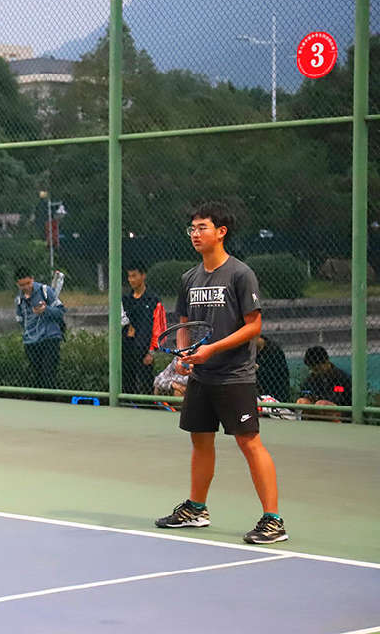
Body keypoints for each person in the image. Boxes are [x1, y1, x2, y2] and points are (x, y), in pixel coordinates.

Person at [154, 201, 287, 545]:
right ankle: (196, 509)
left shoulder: (241, 274)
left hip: (235, 375)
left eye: (203, 228)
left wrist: (212, 349)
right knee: (200, 440)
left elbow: (254, 326)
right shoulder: (189, 278)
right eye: (192, 229)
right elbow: (184, 323)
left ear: (221, 232)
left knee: (249, 442)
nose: (195, 234)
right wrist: (183, 353)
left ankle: (273, 520)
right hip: (201, 377)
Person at [14, 265, 65, 390]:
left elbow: (61, 311)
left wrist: (45, 310)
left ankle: (50, 399)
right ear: (17, 284)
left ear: (32, 279)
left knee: (48, 375)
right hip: (31, 341)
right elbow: (21, 320)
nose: (26, 287)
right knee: (36, 376)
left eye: (28, 283)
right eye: (22, 285)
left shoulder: (45, 291)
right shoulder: (19, 299)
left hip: (49, 338)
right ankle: (39, 398)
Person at [121, 264, 167, 395]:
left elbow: (159, 327)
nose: (131, 280)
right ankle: (127, 404)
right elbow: (121, 322)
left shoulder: (153, 300)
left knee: (146, 385)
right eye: (129, 276)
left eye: (134, 276)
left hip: (144, 350)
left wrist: (151, 352)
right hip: (127, 347)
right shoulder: (125, 300)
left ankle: (147, 405)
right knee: (126, 383)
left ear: (143, 276)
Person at [296, 346, 351, 418]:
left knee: (321, 404)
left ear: (326, 362)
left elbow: (350, 402)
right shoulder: (310, 379)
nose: (314, 372)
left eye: (317, 369)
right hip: (315, 411)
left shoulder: (343, 379)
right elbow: (304, 393)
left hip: (339, 413)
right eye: (311, 369)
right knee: (302, 401)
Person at [255, 335, 290, 402]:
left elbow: (277, 372)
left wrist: (258, 368)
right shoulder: (253, 352)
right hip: (260, 389)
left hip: (276, 389)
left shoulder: (274, 350)